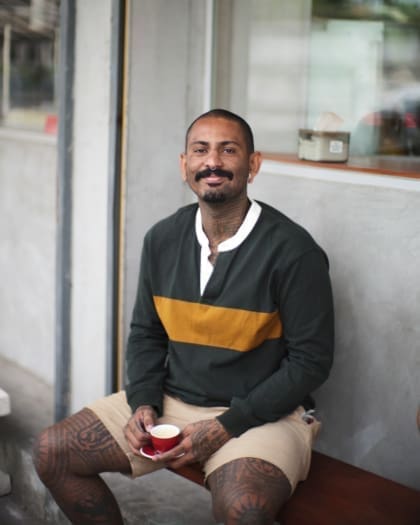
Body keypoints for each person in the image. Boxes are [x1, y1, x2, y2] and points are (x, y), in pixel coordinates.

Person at [33, 109, 334, 524]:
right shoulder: (162, 239)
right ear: (184, 165)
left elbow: (311, 362)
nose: (213, 162)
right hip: (174, 401)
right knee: (53, 452)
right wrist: (143, 401)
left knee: (245, 511)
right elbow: (146, 333)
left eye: (228, 150)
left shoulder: (294, 251)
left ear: (253, 164)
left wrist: (229, 424)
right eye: (200, 150)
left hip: (263, 415)